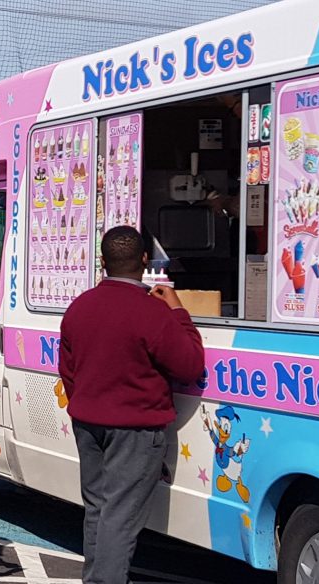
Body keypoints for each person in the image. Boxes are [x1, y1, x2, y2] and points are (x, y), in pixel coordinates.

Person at [60, 226, 206, 584]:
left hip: (87, 423)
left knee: (98, 509)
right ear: (144, 260)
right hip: (135, 428)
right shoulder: (153, 312)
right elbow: (189, 365)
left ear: (102, 261)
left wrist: (87, 401)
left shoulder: (79, 307)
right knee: (120, 517)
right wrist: (179, 312)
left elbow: (68, 370)